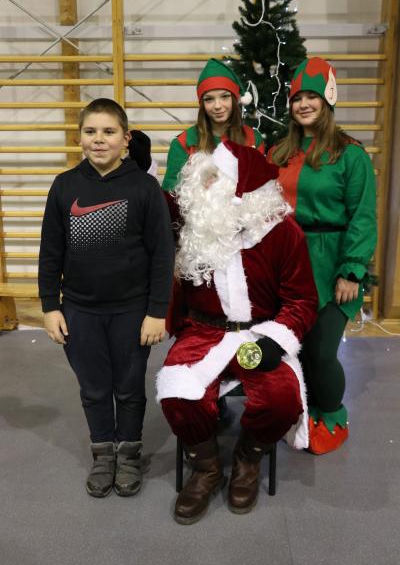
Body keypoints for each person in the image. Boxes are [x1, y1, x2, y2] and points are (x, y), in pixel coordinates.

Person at [156, 140, 318, 524]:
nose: (205, 186)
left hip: (260, 334)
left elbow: (302, 300)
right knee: (177, 392)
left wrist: (276, 342)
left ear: (244, 192)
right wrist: (139, 172)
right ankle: (207, 467)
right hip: (203, 331)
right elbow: (154, 207)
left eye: (215, 178)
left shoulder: (283, 233)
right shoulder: (195, 222)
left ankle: (248, 458)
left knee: (281, 399)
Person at [39, 98, 175, 498]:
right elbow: (50, 252)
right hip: (80, 310)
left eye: (109, 131)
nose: (99, 139)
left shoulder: (144, 188)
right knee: (94, 387)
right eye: (90, 131)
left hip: (132, 310)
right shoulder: (64, 186)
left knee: (129, 387)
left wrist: (157, 311)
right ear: (80, 137)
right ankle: (103, 454)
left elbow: (162, 254)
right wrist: (50, 306)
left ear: (126, 139)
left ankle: (128, 454)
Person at [268, 57, 377, 454]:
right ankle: (301, 409)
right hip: (287, 261)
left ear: (327, 100)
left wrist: (352, 269)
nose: (304, 104)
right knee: (293, 347)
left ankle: (331, 416)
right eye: (298, 98)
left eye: (312, 97)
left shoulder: (350, 155)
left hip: (332, 262)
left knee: (321, 349)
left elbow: (363, 215)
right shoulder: (279, 153)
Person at [161, 58, 265, 192]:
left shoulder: (253, 138)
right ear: (202, 104)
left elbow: (261, 189)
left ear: (235, 100)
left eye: (224, 96)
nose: (217, 106)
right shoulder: (183, 143)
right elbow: (170, 194)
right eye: (209, 99)